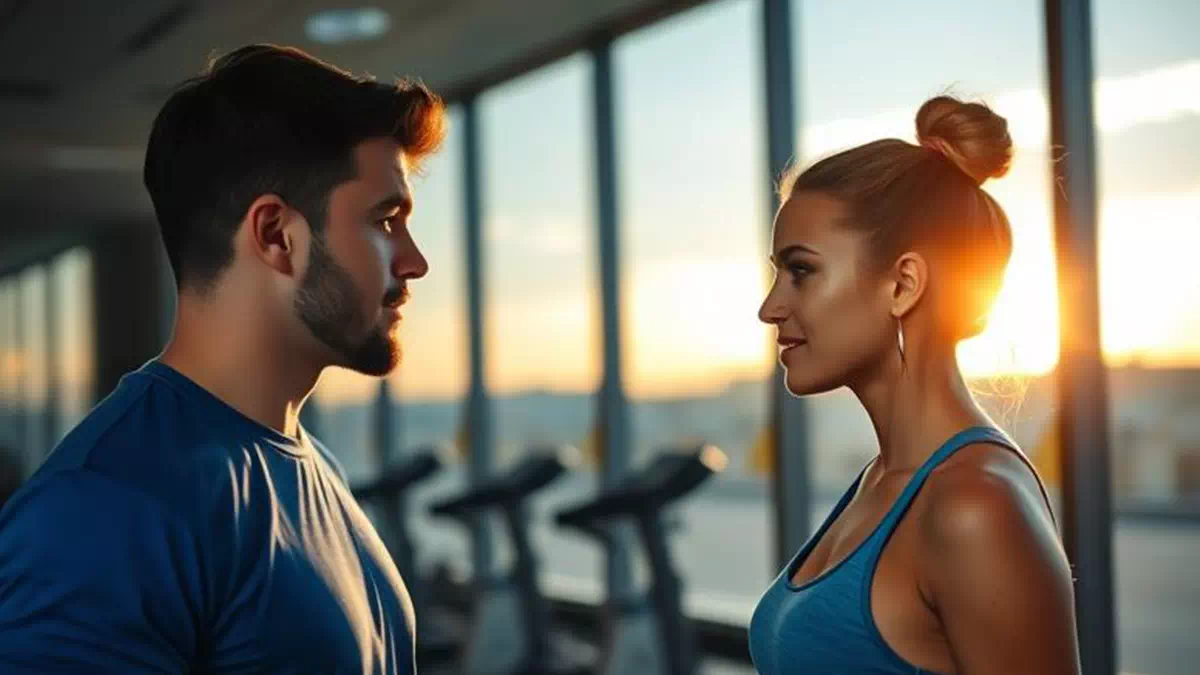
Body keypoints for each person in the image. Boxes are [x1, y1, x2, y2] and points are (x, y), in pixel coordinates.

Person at [0, 44, 445, 674]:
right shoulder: (105, 507)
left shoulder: (315, 468)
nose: (414, 261)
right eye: (385, 221)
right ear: (274, 236)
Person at [749, 95, 1080, 674]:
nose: (770, 307)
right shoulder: (880, 484)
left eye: (801, 270)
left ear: (903, 284)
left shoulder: (974, 506)